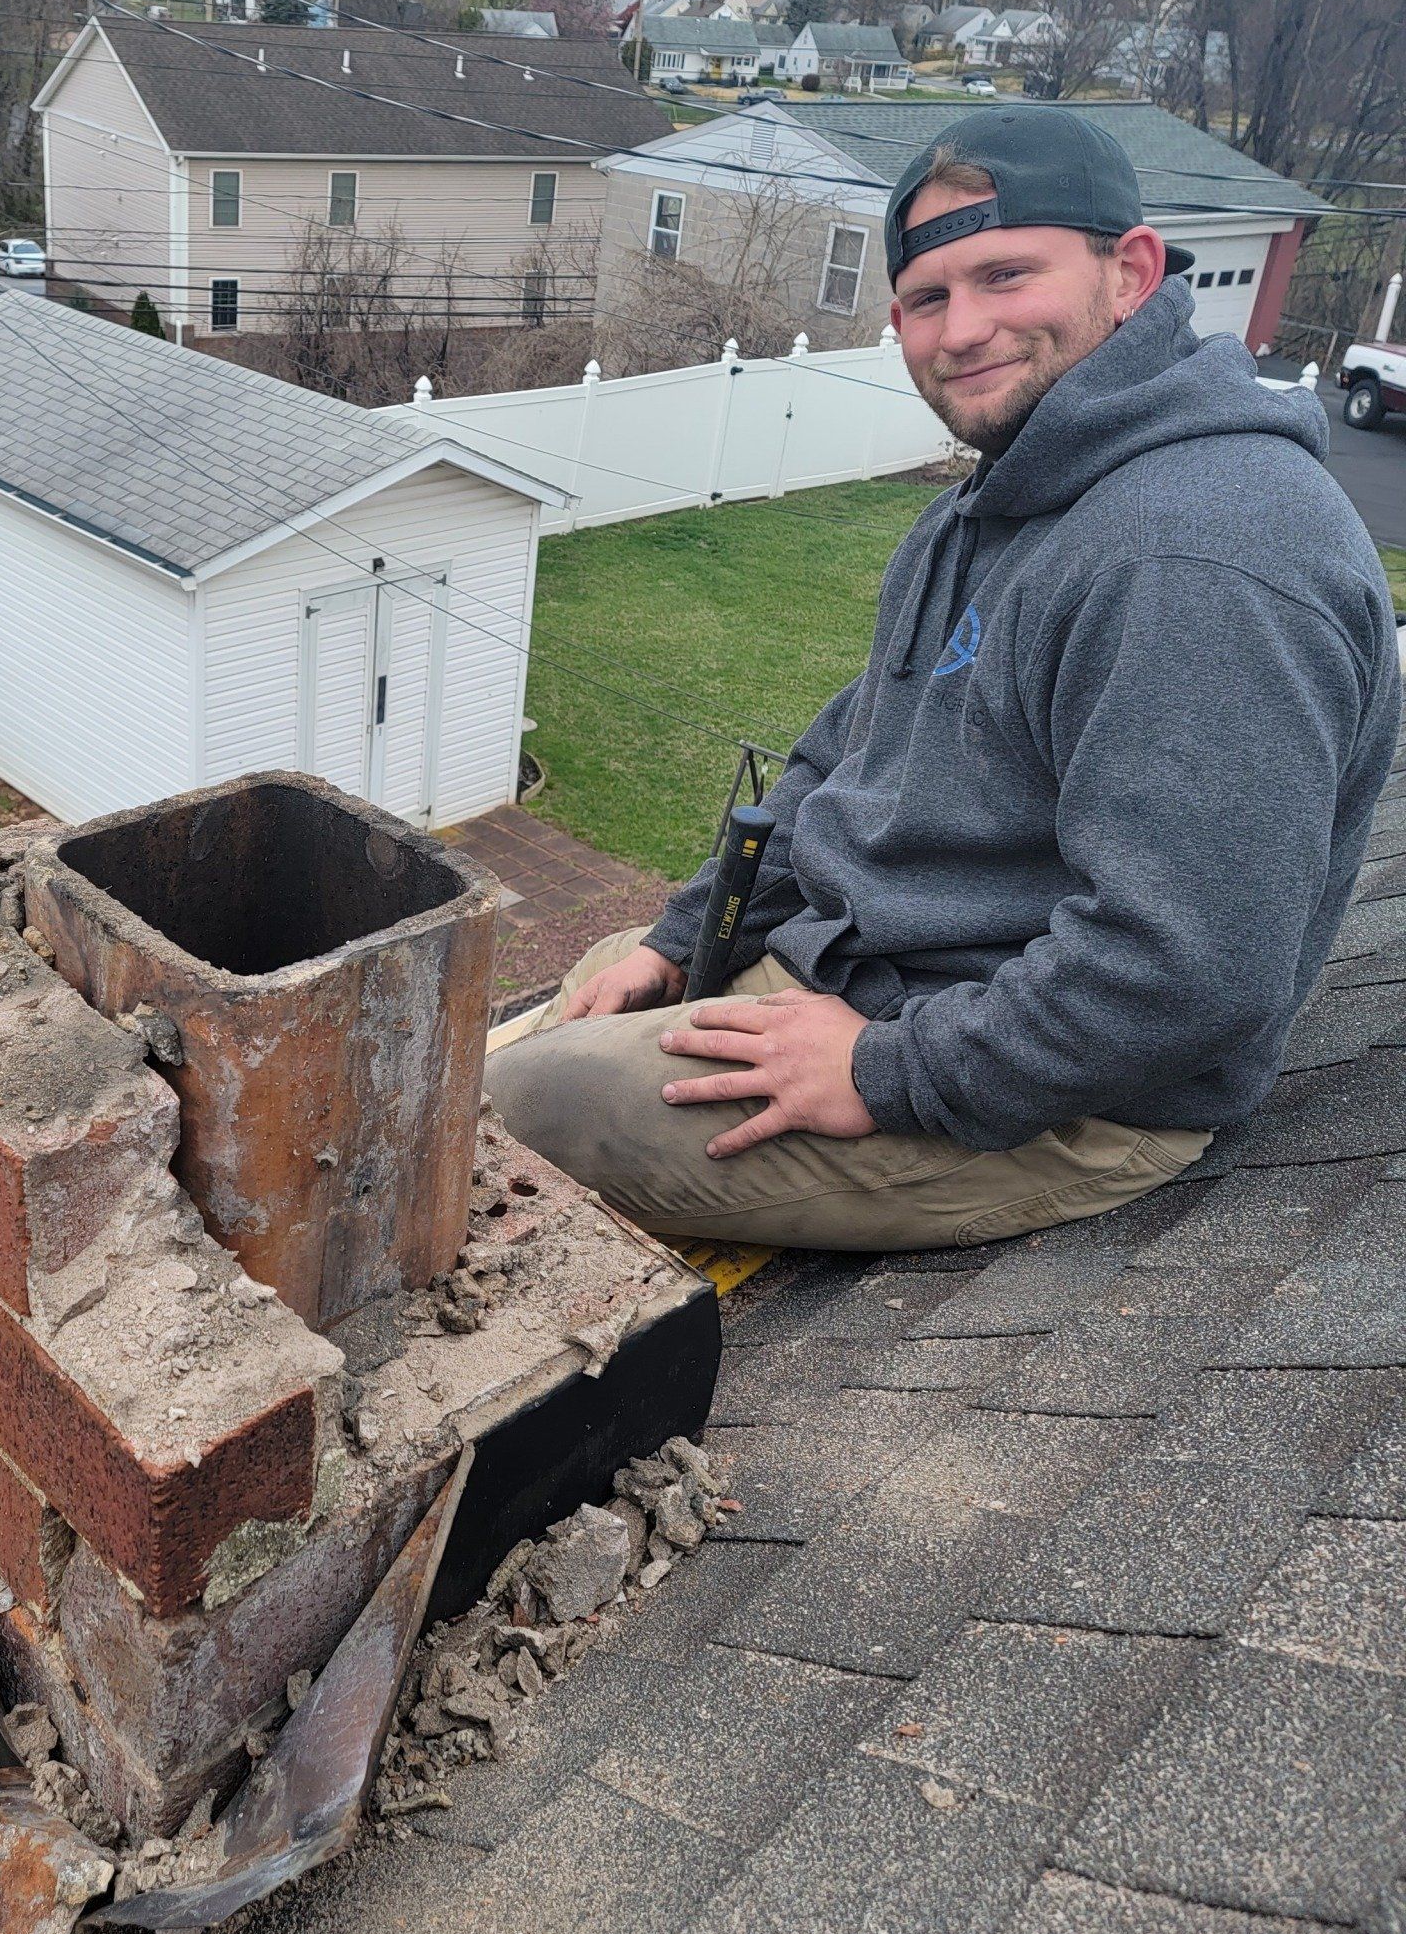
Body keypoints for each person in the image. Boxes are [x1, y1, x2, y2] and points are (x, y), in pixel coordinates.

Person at [485, 106, 1400, 1252]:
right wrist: (682, 937)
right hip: (870, 972)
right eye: (928, 297)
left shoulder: (1206, 555)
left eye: (1005, 275)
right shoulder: (989, 505)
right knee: (570, 999)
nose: (962, 330)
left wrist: (881, 1066)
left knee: (510, 1114)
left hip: (1055, 1093)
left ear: (1134, 271)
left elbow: (1189, 970)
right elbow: (841, 755)